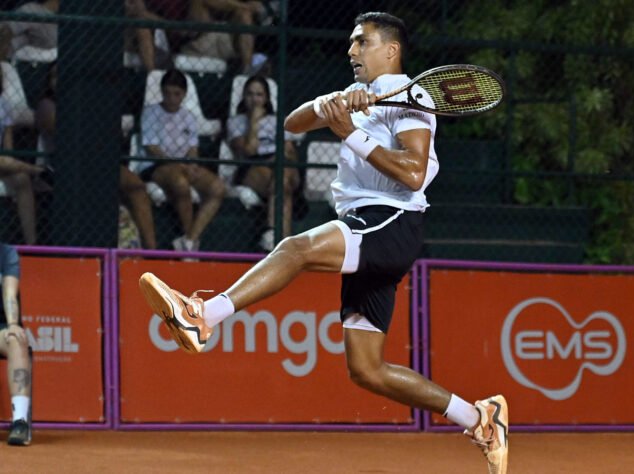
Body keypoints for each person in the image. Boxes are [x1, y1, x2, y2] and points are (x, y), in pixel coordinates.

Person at [138, 12, 508, 473]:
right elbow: (294, 124)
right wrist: (332, 104)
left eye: (362, 42)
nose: (351, 50)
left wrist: (350, 133)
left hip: (389, 220)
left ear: (391, 50)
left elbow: (414, 174)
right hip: (369, 226)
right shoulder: (359, 93)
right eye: (351, 42)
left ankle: (203, 316)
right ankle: (480, 418)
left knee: (295, 249)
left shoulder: (412, 96)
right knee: (367, 370)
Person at [35, 62, 158, 249]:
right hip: (67, 164)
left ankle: (152, 250)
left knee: (136, 186)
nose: (58, 81)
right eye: (54, 76)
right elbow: (65, 135)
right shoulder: (47, 105)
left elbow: (109, 133)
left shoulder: (87, 100)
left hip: (99, 161)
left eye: (62, 75)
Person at [138, 68, 225, 251]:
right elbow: (151, 147)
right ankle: (189, 241)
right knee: (180, 183)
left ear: (184, 94)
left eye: (176, 94)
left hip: (183, 165)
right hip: (156, 166)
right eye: (167, 93)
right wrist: (177, 164)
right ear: (161, 92)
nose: (171, 98)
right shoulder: (150, 113)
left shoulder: (188, 117)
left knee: (217, 188)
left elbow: (193, 148)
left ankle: (189, 239)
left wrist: (193, 164)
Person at [227, 74, 300, 251]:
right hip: (252, 166)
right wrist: (253, 121)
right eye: (250, 94)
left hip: (281, 164)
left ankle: (271, 234)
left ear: (266, 98)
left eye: (259, 95)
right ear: (243, 97)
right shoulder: (236, 122)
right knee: (282, 185)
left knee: (282, 175)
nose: (255, 99)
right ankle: (284, 244)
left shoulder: (279, 120)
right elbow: (249, 151)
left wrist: (278, 158)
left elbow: (290, 151)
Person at [0, 67, 44, 246]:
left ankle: (31, 245)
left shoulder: (3, 104)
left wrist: (10, 162)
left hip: (2, 163)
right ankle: (39, 171)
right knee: (21, 169)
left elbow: (8, 148)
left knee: (22, 179)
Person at [0, 242, 32, 446]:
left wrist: (13, 324)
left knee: (16, 340)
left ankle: (20, 422)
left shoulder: (6, 254)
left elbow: (10, 293)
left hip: (0, 328)